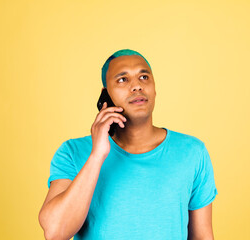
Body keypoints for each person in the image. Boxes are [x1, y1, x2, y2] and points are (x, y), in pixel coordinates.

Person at [38, 49, 218, 240]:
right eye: (122, 80)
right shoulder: (73, 152)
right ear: (105, 94)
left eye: (144, 77)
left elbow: (203, 236)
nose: (137, 86)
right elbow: (55, 231)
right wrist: (97, 155)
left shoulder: (192, 152)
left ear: (155, 88)